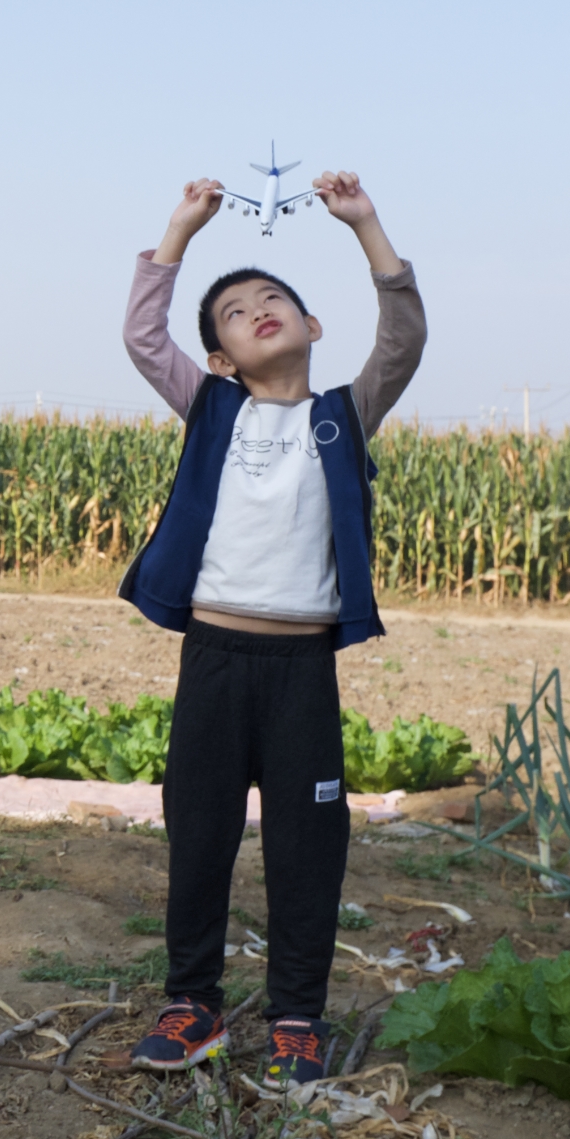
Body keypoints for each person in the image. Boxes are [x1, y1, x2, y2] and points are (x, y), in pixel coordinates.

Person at [117, 171, 425, 1086]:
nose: (256, 310)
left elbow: (403, 340)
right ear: (219, 358)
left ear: (309, 326)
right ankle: (192, 1006)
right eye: (234, 312)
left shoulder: (344, 416)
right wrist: (180, 231)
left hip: (301, 675)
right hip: (213, 658)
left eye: (273, 299)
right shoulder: (213, 409)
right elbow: (142, 337)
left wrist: (365, 226)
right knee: (199, 833)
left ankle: (296, 1017)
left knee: (307, 848)